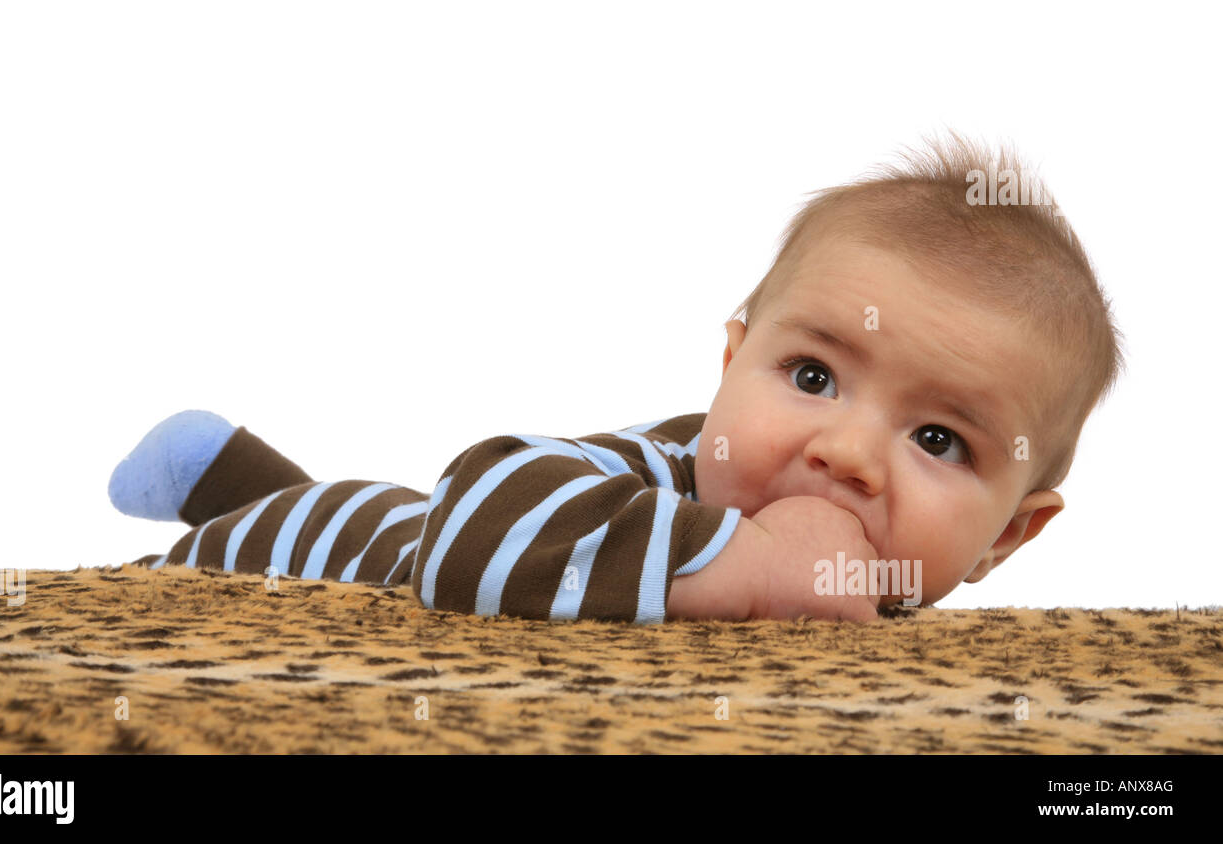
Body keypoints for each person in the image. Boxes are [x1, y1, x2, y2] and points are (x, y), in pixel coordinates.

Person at [108, 132, 1124, 624]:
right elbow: (470, 513)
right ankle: (230, 487)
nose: (846, 452)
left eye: (938, 440)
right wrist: (754, 567)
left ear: (1007, 532)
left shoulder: (901, 620)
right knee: (325, 528)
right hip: (331, 542)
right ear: (731, 367)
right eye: (811, 373)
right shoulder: (672, 466)